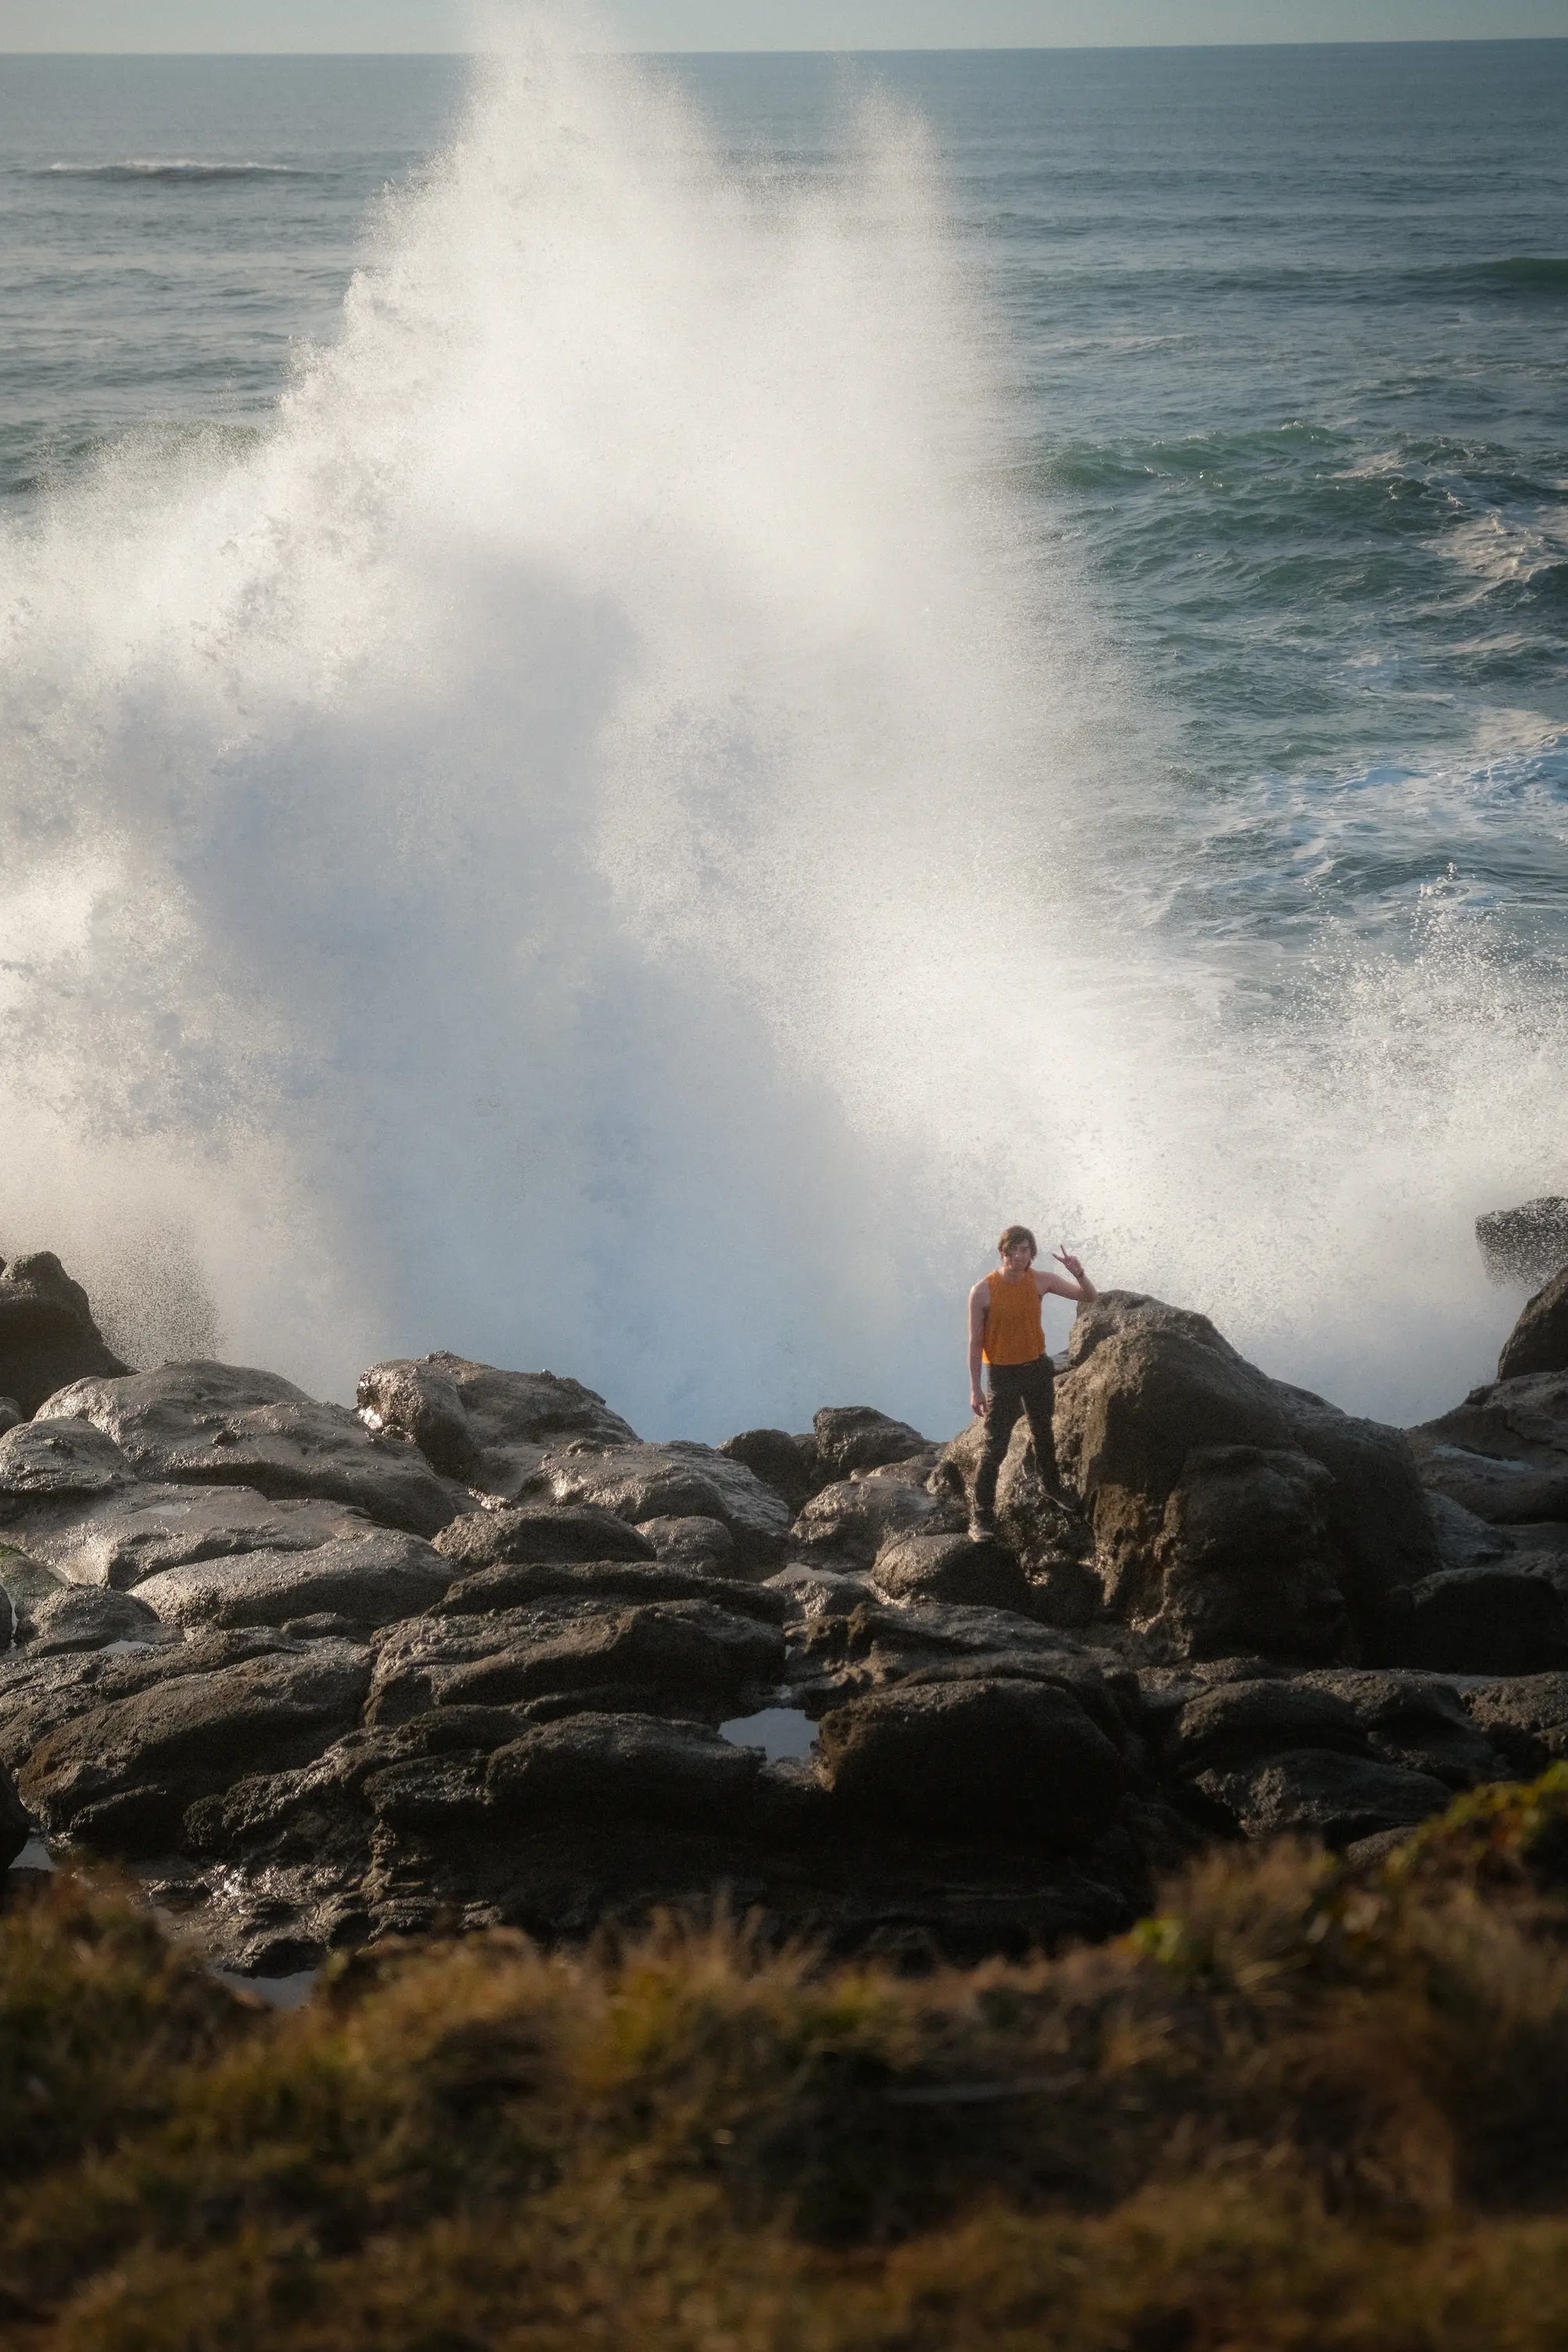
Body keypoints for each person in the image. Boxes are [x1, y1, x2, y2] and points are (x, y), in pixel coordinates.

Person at [966, 1224, 1096, 1539]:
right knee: (995, 1446)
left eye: (1024, 1250)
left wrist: (1079, 1272)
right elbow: (974, 1343)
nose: (1018, 1256)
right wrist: (976, 1388)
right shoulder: (983, 1290)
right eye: (1012, 1250)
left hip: (1037, 1368)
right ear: (1003, 1252)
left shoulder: (1042, 1280)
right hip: (1002, 1374)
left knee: (1043, 1431)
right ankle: (981, 1516)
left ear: (1031, 1254)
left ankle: (1051, 1487)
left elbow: (1090, 1298)